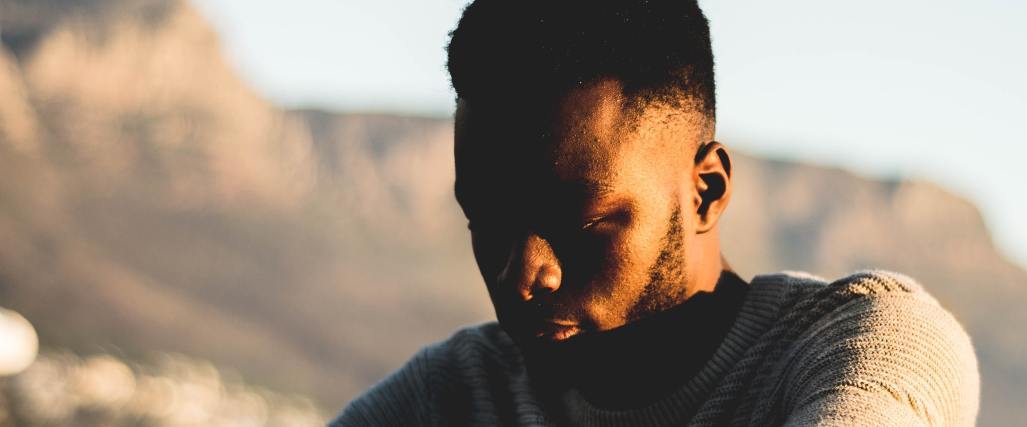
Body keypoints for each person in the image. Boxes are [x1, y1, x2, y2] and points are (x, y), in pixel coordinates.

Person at [332, 0, 979, 425]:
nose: (523, 271)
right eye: (486, 222)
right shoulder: (461, 393)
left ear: (705, 191)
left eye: (580, 221)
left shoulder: (863, 345)